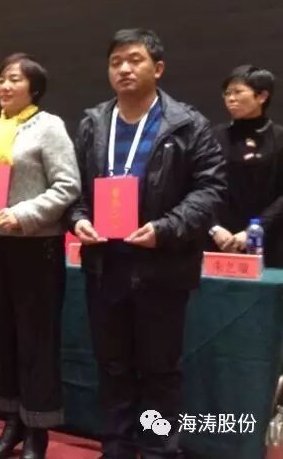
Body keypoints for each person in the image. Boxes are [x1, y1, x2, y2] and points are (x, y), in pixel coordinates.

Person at [68, 29, 225, 458]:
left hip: (162, 267)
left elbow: (210, 190)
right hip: (105, 266)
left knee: (159, 371)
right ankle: (116, 447)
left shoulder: (187, 124)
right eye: (115, 61)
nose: (123, 68)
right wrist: (79, 219)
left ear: (158, 68)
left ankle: (158, 449)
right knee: (112, 366)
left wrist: (166, 228)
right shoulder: (93, 123)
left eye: (134, 59)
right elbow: (74, 188)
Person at [0, 54, 80, 459]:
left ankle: (37, 430)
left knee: (36, 340)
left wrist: (24, 214)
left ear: (34, 87)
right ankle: (11, 422)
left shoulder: (49, 127)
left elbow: (67, 185)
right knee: (3, 337)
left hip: (37, 247)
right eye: (1, 79)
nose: (5, 86)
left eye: (14, 79)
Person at [210, 66, 283, 267]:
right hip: (221, 239)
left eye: (238, 92)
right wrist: (214, 227)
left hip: (269, 240)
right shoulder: (214, 136)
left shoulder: (279, 138)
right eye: (227, 93)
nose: (231, 98)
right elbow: (200, 186)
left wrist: (256, 229)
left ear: (262, 96)